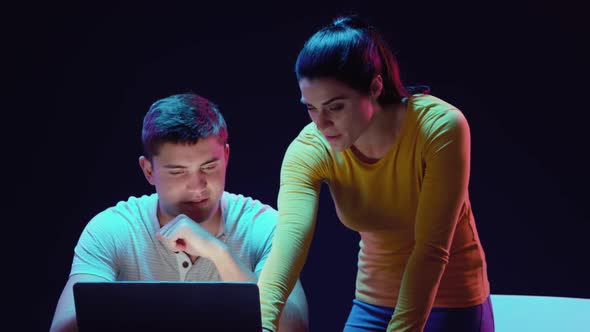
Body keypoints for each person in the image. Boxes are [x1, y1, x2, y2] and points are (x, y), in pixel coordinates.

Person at [257, 15, 494, 332]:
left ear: (375, 87)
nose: (321, 124)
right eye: (311, 108)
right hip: (373, 303)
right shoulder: (309, 148)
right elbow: (287, 248)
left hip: (452, 303)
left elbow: (430, 250)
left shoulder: (440, 128)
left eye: (335, 107)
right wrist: (261, 323)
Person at [50, 93, 309, 332]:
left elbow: (294, 327)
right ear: (148, 170)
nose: (197, 185)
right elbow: (63, 329)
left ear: (226, 156)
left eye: (209, 166)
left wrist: (218, 254)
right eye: (177, 171)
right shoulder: (112, 229)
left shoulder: (264, 225)